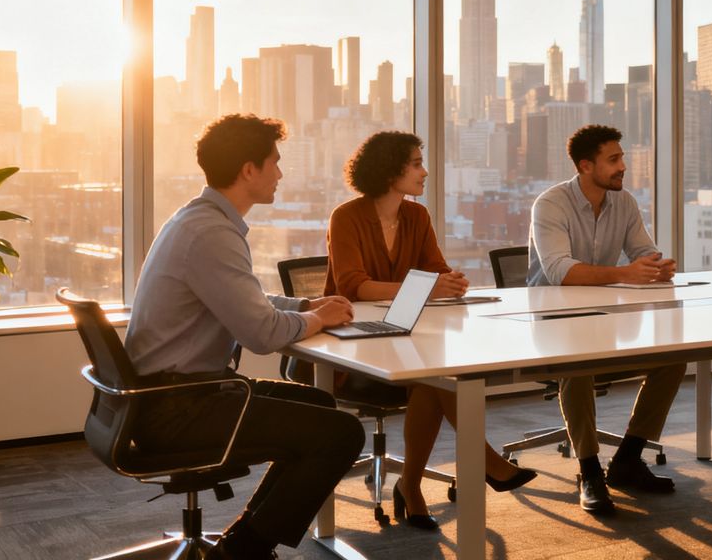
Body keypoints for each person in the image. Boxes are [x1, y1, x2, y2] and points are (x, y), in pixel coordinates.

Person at [124, 114, 364, 560]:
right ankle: (245, 552)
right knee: (342, 434)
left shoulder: (198, 219)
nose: (280, 172)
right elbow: (262, 333)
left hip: (172, 394)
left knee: (318, 405)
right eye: (274, 161)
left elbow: (243, 298)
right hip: (179, 407)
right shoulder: (212, 232)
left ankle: (244, 540)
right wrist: (321, 320)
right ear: (248, 170)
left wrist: (305, 307)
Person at [324, 131, 537, 530]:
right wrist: (425, 287)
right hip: (353, 343)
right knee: (437, 380)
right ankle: (485, 462)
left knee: (433, 380)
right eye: (416, 163)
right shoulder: (346, 216)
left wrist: (450, 281)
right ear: (391, 171)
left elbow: (434, 270)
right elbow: (353, 285)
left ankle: (412, 485)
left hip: (406, 334)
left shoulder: (416, 216)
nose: (425, 171)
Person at [527, 124, 687, 516]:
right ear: (586, 165)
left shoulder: (625, 203)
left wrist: (657, 265)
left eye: (622, 158)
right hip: (552, 320)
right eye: (613, 160)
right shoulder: (550, 204)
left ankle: (628, 458)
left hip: (609, 316)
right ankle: (589, 470)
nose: (623, 167)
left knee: (674, 357)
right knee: (577, 363)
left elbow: (643, 251)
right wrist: (627, 273)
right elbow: (559, 271)